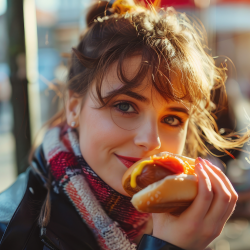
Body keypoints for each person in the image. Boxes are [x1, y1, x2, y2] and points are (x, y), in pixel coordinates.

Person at [0, 0, 249, 249]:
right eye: (125, 106)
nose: (152, 141)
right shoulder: (12, 233)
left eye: (172, 119)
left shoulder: (187, 218)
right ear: (74, 108)